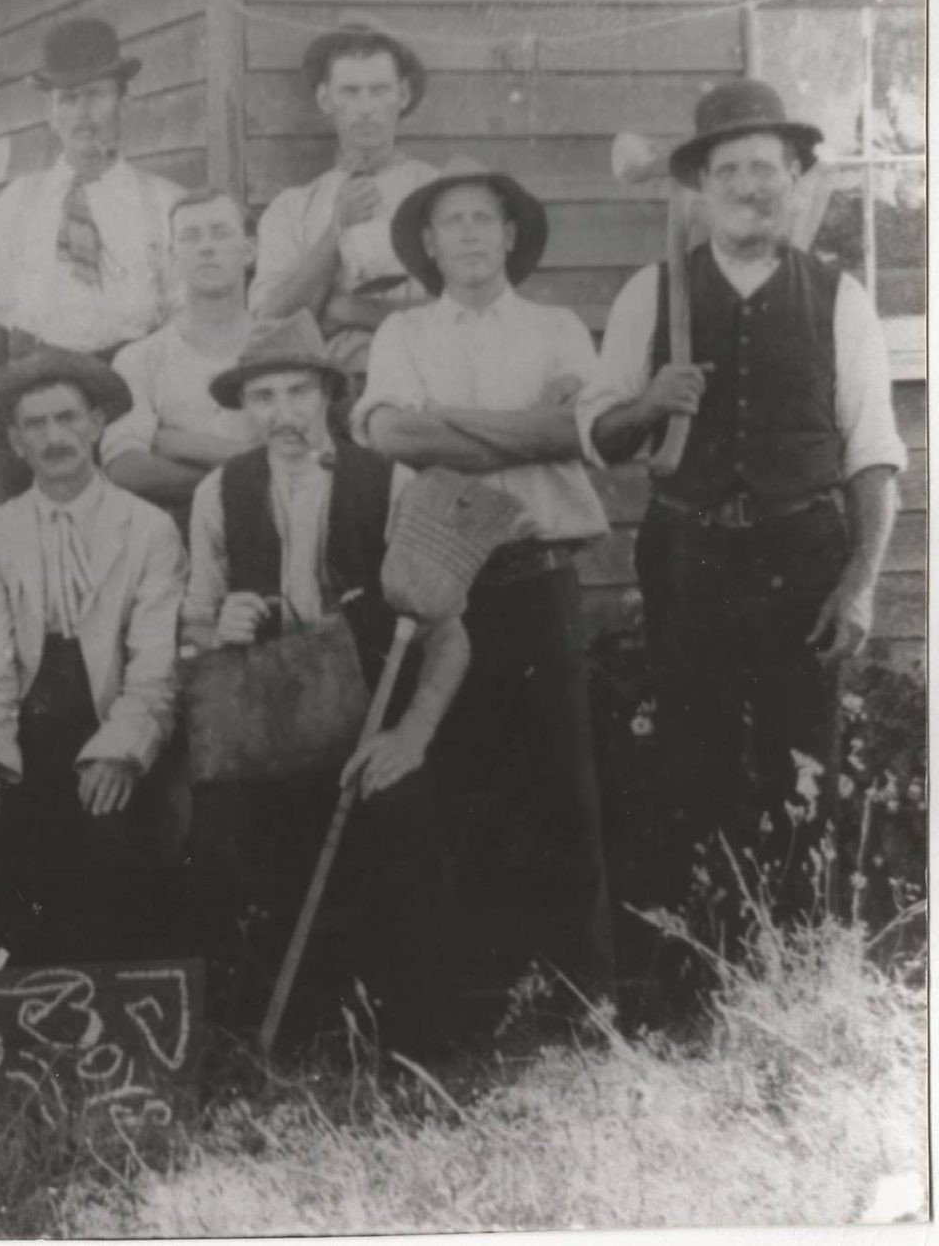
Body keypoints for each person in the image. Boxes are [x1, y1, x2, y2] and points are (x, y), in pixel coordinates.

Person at [580, 79, 905, 918]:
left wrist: (860, 581)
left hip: (804, 559)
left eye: (767, 167)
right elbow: (600, 432)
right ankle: (707, 969)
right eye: (730, 170)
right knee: (697, 766)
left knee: (807, 769)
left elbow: (872, 456)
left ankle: (796, 969)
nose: (750, 186)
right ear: (701, 186)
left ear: (794, 177)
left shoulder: (841, 298)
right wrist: (650, 403)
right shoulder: (650, 295)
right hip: (689, 557)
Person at [356, 160, 616, 1004]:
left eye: (483, 219)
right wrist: (524, 429)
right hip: (443, 589)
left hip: (538, 576)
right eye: (451, 222)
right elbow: (396, 434)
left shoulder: (556, 327)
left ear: (510, 234)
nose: (468, 234)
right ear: (427, 244)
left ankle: (582, 1000)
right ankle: (472, 1002)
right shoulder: (402, 335)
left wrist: (453, 425)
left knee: (561, 785)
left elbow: (573, 434)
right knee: (459, 778)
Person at [181, 313, 471, 1046]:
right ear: (245, 408)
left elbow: (452, 639)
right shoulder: (219, 493)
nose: (283, 414)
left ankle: (412, 1044)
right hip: (267, 728)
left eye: (299, 392)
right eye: (264, 397)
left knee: (402, 813)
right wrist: (223, 624)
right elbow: (191, 630)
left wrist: (412, 735)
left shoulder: (391, 483)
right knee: (218, 832)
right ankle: (266, 1039)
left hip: (373, 722)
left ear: (329, 396)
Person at [0, 350, 185, 967]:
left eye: (68, 419)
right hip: (24, 737)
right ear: (15, 442)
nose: (55, 437)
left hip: (109, 725)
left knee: (110, 835)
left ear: (97, 424)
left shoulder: (148, 529)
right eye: (36, 426)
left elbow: (154, 669)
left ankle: (103, 1027)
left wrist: (121, 753)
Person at [0, 17, 185, 502]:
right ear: (51, 115)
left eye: (97, 95)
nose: (84, 115)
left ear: (124, 101)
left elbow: (180, 322)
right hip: (36, 383)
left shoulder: (163, 203)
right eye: (69, 100)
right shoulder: (20, 200)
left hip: (128, 393)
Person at [249, 20, 440, 378]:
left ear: (403, 95)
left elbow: (469, 311)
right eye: (350, 92)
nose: (366, 107)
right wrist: (336, 230)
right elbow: (268, 322)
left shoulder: (439, 193)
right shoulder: (291, 208)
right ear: (326, 99)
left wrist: (349, 311)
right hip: (321, 393)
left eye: (379, 90)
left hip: (425, 378)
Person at [101, 188, 257, 521]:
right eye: (190, 237)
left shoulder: (277, 344)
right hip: (176, 531)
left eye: (220, 232)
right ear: (173, 258)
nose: (206, 247)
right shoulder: (139, 359)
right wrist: (241, 472)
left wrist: (176, 442)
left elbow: (303, 455)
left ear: (248, 251)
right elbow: (125, 467)